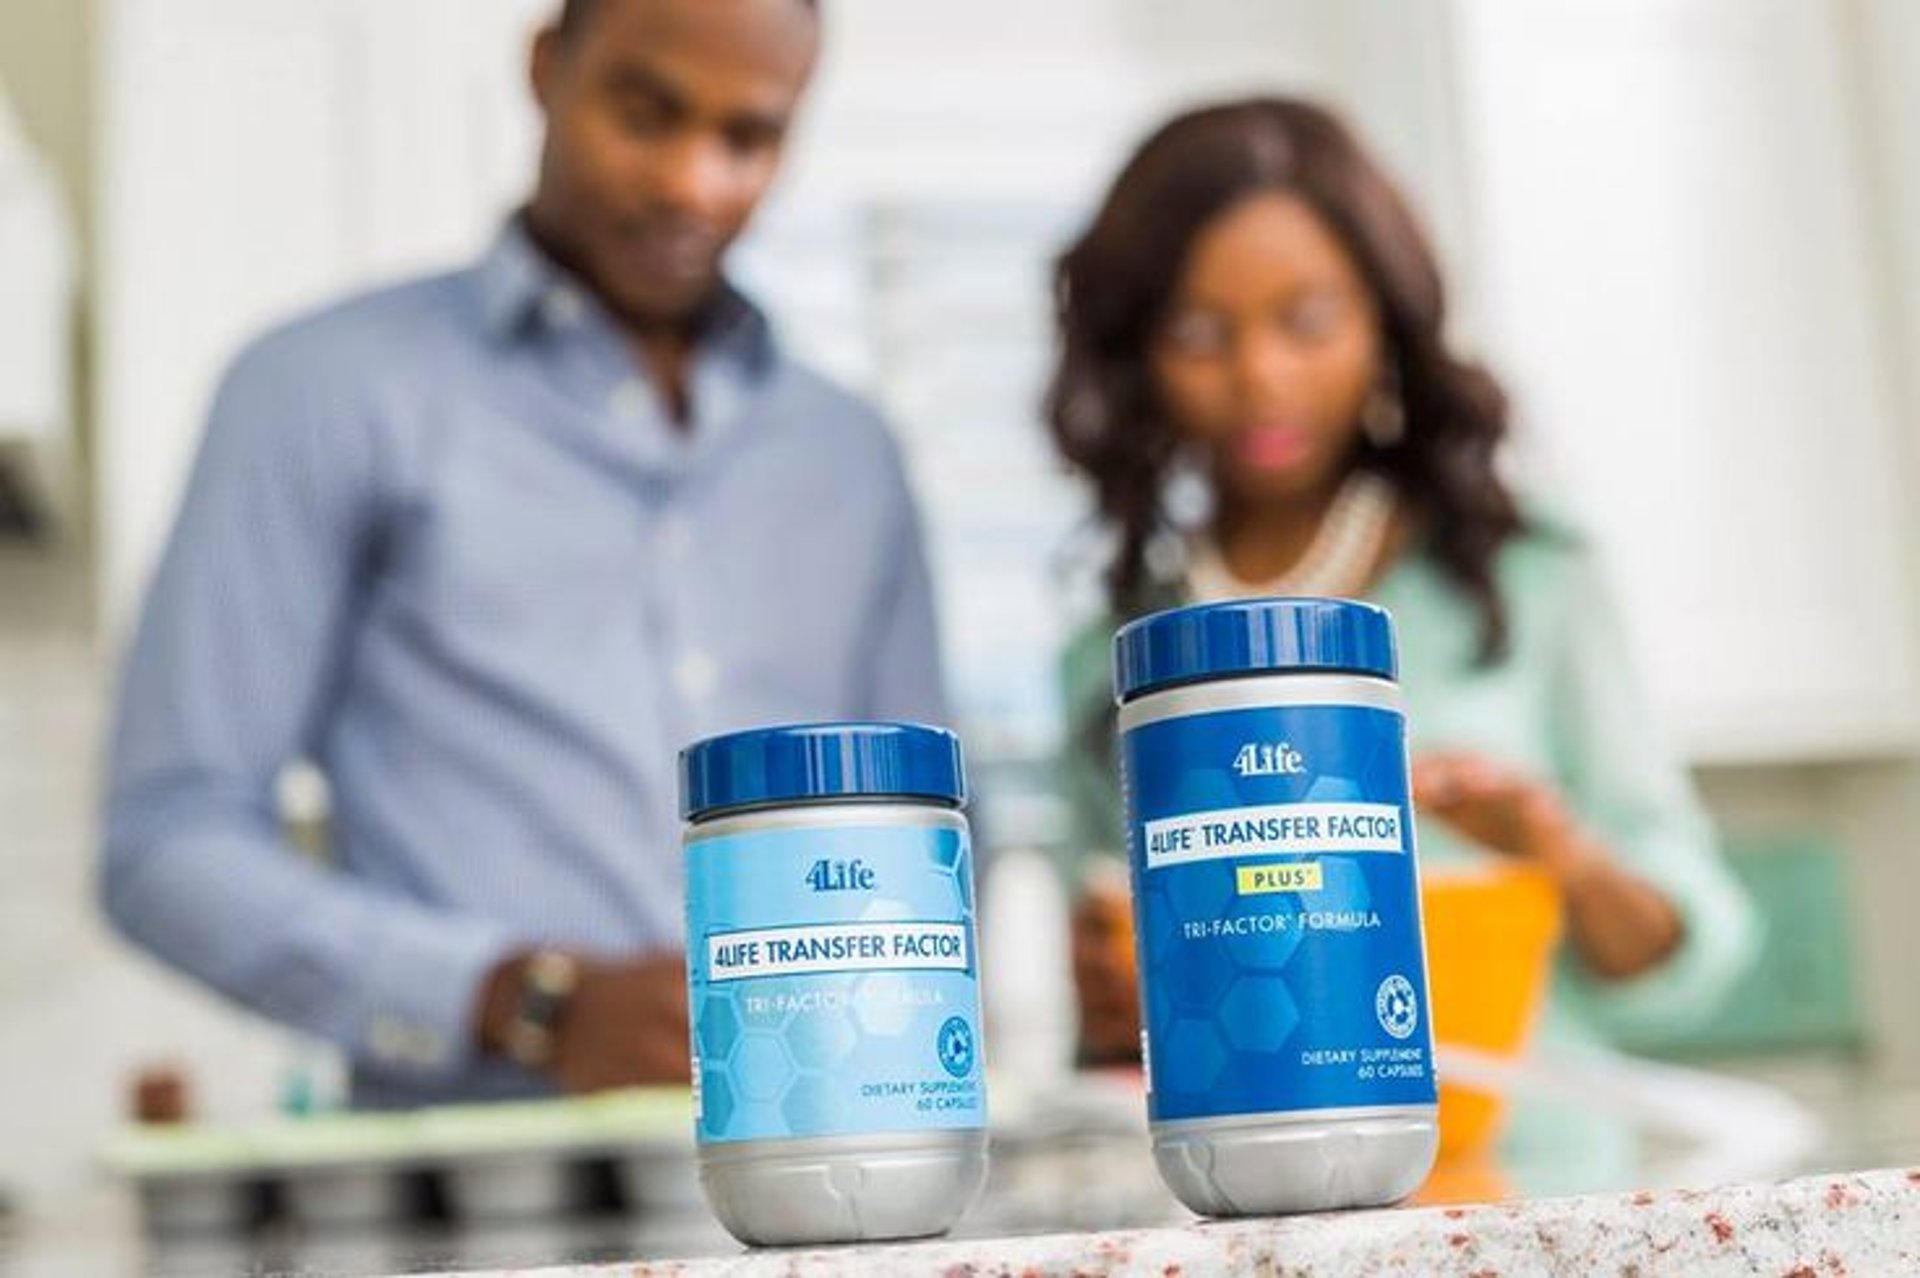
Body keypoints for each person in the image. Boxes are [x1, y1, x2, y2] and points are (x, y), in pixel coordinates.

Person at [101, 0, 948, 1109]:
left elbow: (925, 850)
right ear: (548, 69)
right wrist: (519, 1000)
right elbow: (166, 846)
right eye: (647, 115)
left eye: (748, 139)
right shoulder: (320, 394)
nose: (692, 184)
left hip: (825, 1185)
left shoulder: (851, 456)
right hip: (479, 1209)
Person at [1045, 98, 1757, 1067]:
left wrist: (1554, 854)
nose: (1261, 375)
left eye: (1307, 321)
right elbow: (1117, 1030)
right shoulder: (1116, 655)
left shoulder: (1528, 578)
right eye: (1201, 335)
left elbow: (1694, 967)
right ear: (1139, 358)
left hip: (1535, 1192)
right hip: (1245, 1200)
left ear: (1383, 319)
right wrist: (1103, 1004)